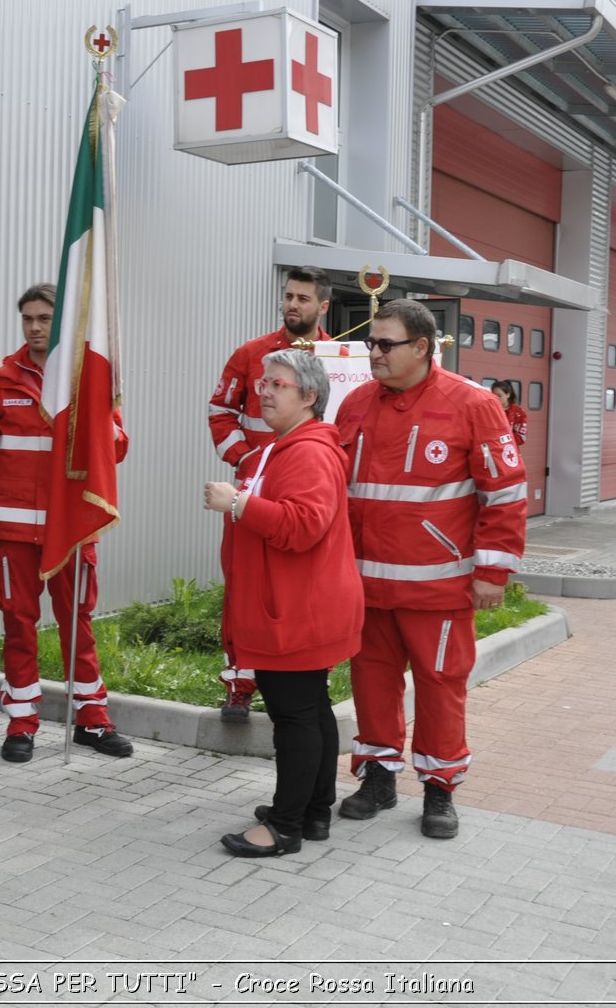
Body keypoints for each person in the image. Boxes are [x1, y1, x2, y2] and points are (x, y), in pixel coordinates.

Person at [334, 298, 527, 839]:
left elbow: (506, 493)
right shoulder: (354, 406)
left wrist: (493, 571)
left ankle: (440, 789)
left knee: (440, 686)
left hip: (437, 587)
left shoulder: (473, 405)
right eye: (370, 343)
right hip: (367, 585)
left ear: (422, 347)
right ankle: (377, 777)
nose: (374, 353)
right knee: (372, 681)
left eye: (385, 344)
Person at [203, 349, 363, 857]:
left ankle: (285, 826)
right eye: (263, 383)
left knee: (295, 717)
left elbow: (302, 525)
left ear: (309, 396)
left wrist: (237, 503)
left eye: (277, 385)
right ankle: (313, 813)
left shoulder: (308, 452)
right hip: (292, 605)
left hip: (294, 610)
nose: (263, 392)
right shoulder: (285, 447)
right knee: (310, 709)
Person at [0, 283, 132, 764]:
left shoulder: (89, 379)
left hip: (71, 530)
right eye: (29, 319)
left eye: (45, 319)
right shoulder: (0, 380)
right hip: (13, 533)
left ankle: (92, 721)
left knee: (77, 624)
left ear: (62, 323)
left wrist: (94, 412)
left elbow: (117, 449)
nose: (36, 328)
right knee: (18, 626)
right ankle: (22, 723)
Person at [206, 266, 334, 722]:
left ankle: (310, 678)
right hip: (251, 498)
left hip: (307, 495)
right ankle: (240, 683)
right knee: (243, 590)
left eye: (303, 298)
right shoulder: (252, 354)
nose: (292, 304)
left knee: (305, 592)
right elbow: (219, 411)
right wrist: (243, 460)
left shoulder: (339, 359)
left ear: (323, 306)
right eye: (288, 296)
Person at [491, 379, 529, 446]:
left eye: (499, 396)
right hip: (491, 450)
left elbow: (521, 437)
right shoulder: (488, 410)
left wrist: (500, 440)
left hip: (509, 450)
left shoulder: (518, 412)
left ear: (508, 395)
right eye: (494, 396)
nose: (496, 398)